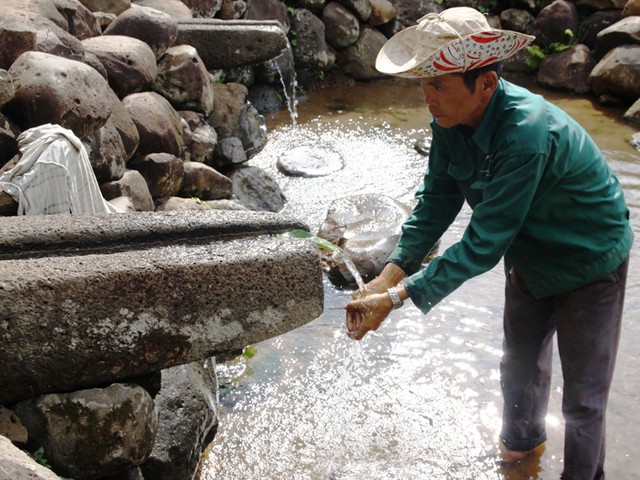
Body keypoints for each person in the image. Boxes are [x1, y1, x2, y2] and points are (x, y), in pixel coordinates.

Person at [344, 7, 633, 480]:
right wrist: (386, 275)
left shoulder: (526, 131)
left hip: (590, 261)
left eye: (438, 85)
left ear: (485, 84)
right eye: (423, 84)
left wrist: (395, 300)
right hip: (528, 257)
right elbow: (436, 201)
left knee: (583, 398)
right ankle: (519, 457)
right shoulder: (449, 121)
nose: (428, 98)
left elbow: (482, 243)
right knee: (518, 367)